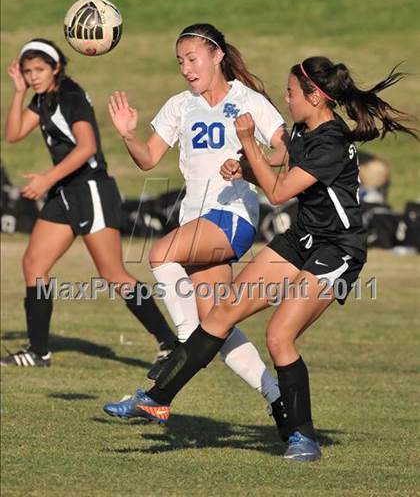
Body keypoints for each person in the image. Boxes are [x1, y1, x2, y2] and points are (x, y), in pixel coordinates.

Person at [104, 56, 417, 461]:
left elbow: (279, 193)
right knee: (222, 313)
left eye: (291, 92)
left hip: (337, 249)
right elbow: (278, 177)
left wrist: (249, 143)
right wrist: (245, 170)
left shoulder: (331, 141)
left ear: (317, 97)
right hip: (301, 239)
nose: (286, 100)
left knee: (279, 336)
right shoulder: (306, 131)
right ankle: (156, 399)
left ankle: (303, 438)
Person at [106, 23, 289, 416]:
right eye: (180, 62)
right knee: (218, 326)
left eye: (192, 59)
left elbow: (284, 151)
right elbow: (148, 159)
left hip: (234, 216)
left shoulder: (248, 100)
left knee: (159, 254)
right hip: (197, 220)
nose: (186, 68)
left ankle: (182, 343)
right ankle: (277, 398)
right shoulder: (179, 105)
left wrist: (247, 162)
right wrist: (127, 135)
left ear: (217, 55)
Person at [1, 39, 177, 367]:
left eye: (39, 70)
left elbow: (87, 147)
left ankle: (169, 344)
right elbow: (12, 134)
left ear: (56, 67)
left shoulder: (71, 96)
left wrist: (46, 179)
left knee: (113, 273)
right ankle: (38, 352)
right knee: (33, 265)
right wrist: (18, 91)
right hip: (65, 193)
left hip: (90, 190)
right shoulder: (42, 97)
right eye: (27, 72)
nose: (33, 76)